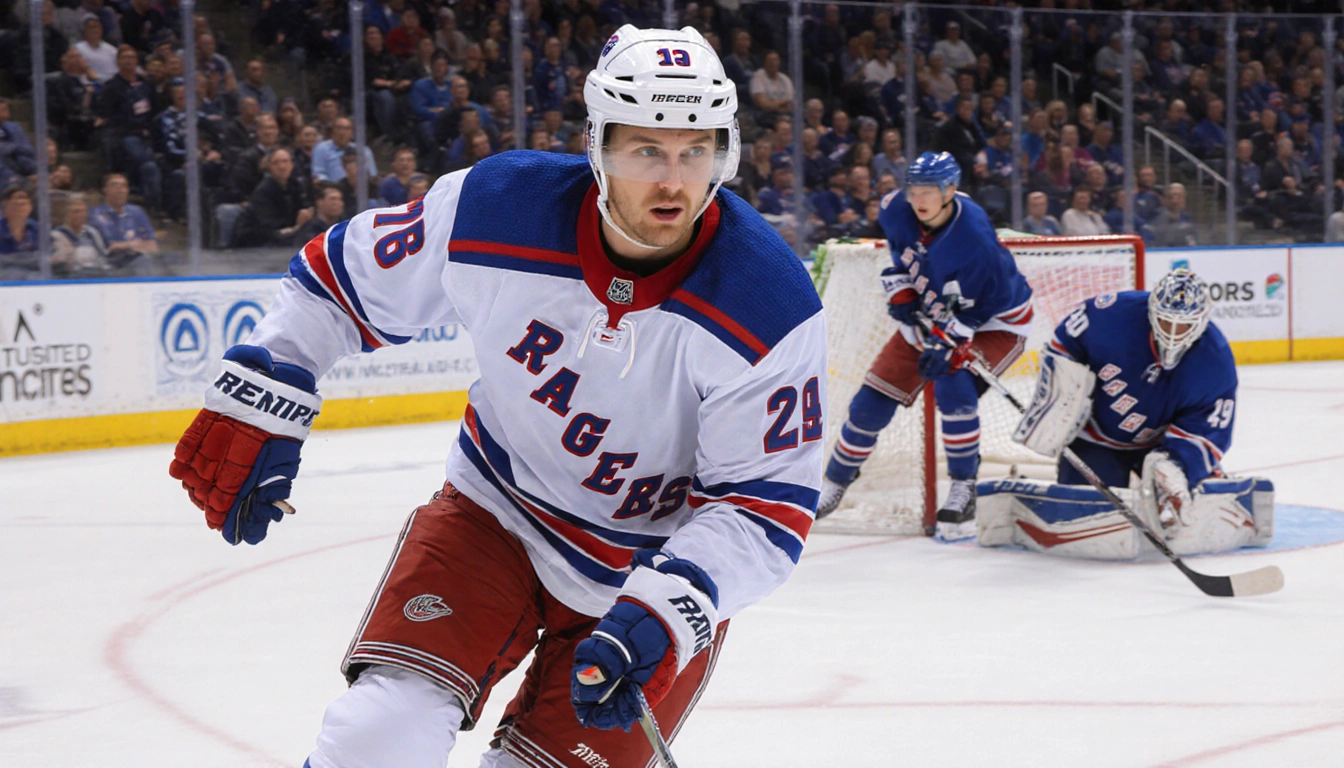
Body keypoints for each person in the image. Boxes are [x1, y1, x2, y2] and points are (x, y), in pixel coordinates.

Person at [167, 25, 824, 768]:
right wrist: (268, 385)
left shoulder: (769, 305)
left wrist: (674, 605)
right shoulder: (496, 207)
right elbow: (338, 281)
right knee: (377, 735)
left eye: (696, 152)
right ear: (598, 146)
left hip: (645, 574)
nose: (674, 182)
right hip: (495, 517)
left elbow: (764, 507)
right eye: (646, 151)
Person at [980, 270, 1271, 560]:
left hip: (1161, 446)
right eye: (1166, 322)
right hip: (1098, 438)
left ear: (1201, 322)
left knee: (1181, 502)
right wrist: (1060, 391)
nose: (1172, 333)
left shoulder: (1215, 362)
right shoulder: (1114, 316)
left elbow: (1206, 430)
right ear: (1152, 312)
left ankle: (1176, 476)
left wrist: (1177, 465)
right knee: (1088, 516)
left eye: (1183, 326)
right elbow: (1066, 339)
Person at [816, 152, 1033, 541]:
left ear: (950, 190)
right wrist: (900, 288)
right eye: (913, 189)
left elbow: (989, 303)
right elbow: (901, 259)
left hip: (995, 322)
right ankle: (835, 480)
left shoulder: (974, 238)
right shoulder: (895, 209)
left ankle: (963, 486)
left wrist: (947, 340)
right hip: (934, 313)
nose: (918, 198)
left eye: (928, 190)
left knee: (953, 385)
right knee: (868, 404)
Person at [234, 147, 313, 247]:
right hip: (258, 239)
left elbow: (305, 206)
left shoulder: (297, 185)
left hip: (287, 234)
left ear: (292, 165)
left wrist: (307, 214)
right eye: (276, 163)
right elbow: (269, 223)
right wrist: (297, 225)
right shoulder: (263, 191)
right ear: (269, 167)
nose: (282, 166)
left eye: (285, 161)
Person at [51, 194, 110, 274]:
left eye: (83, 211)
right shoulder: (56, 235)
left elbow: (103, 257)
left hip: (96, 275)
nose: (80, 215)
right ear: (66, 214)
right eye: (76, 211)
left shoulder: (92, 233)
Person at [313, 117, 378, 182]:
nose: (342, 132)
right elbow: (318, 174)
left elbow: (372, 174)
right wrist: (330, 185)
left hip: (357, 185)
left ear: (352, 133)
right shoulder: (321, 148)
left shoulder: (364, 150)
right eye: (338, 128)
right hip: (332, 185)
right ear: (332, 131)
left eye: (347, 129)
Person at [1148, 182, 1197, 247]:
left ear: (1184, 199)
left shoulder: (1188, 219)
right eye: (1171, 197)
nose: (1175, 201)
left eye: (1179, 197)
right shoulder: (1155, 216)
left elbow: (1192, 244)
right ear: (1165, 199)